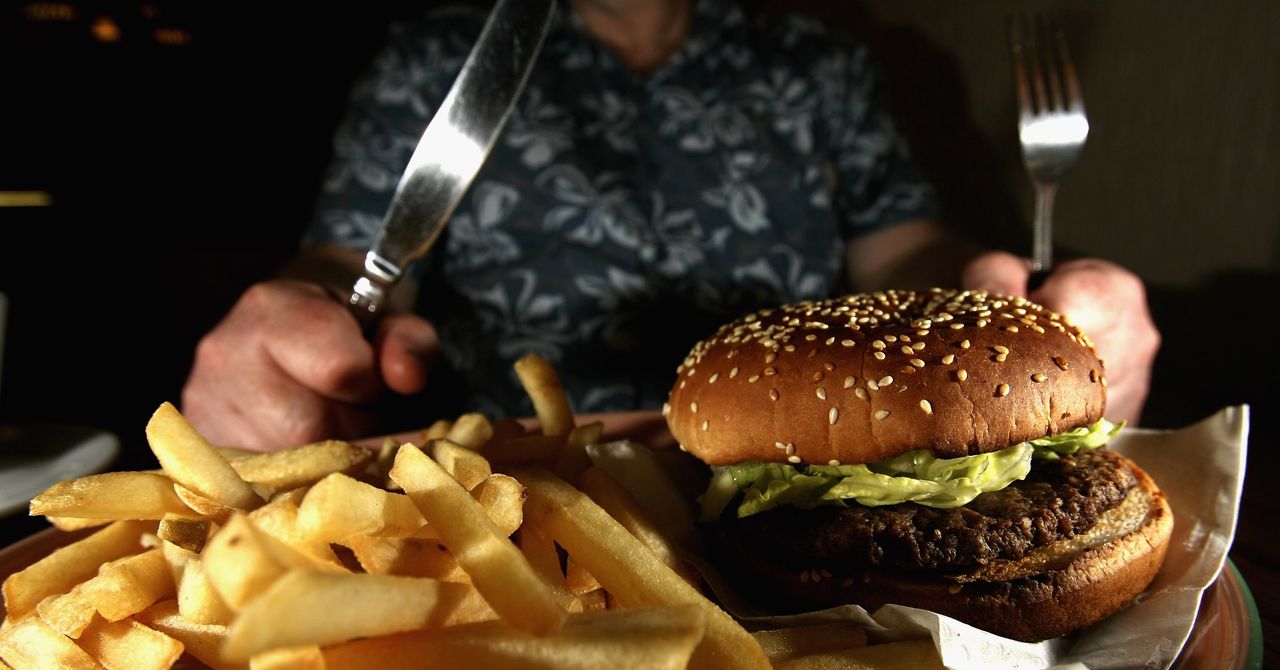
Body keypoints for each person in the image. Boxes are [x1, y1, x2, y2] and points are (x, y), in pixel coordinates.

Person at [182, 0, 1159, 451]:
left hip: (789, 478)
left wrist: (1001, 302)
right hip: (511, 483)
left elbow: (902, 248)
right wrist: (294, 328)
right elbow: (352, 255)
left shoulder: (816, 61)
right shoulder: (440, 53)